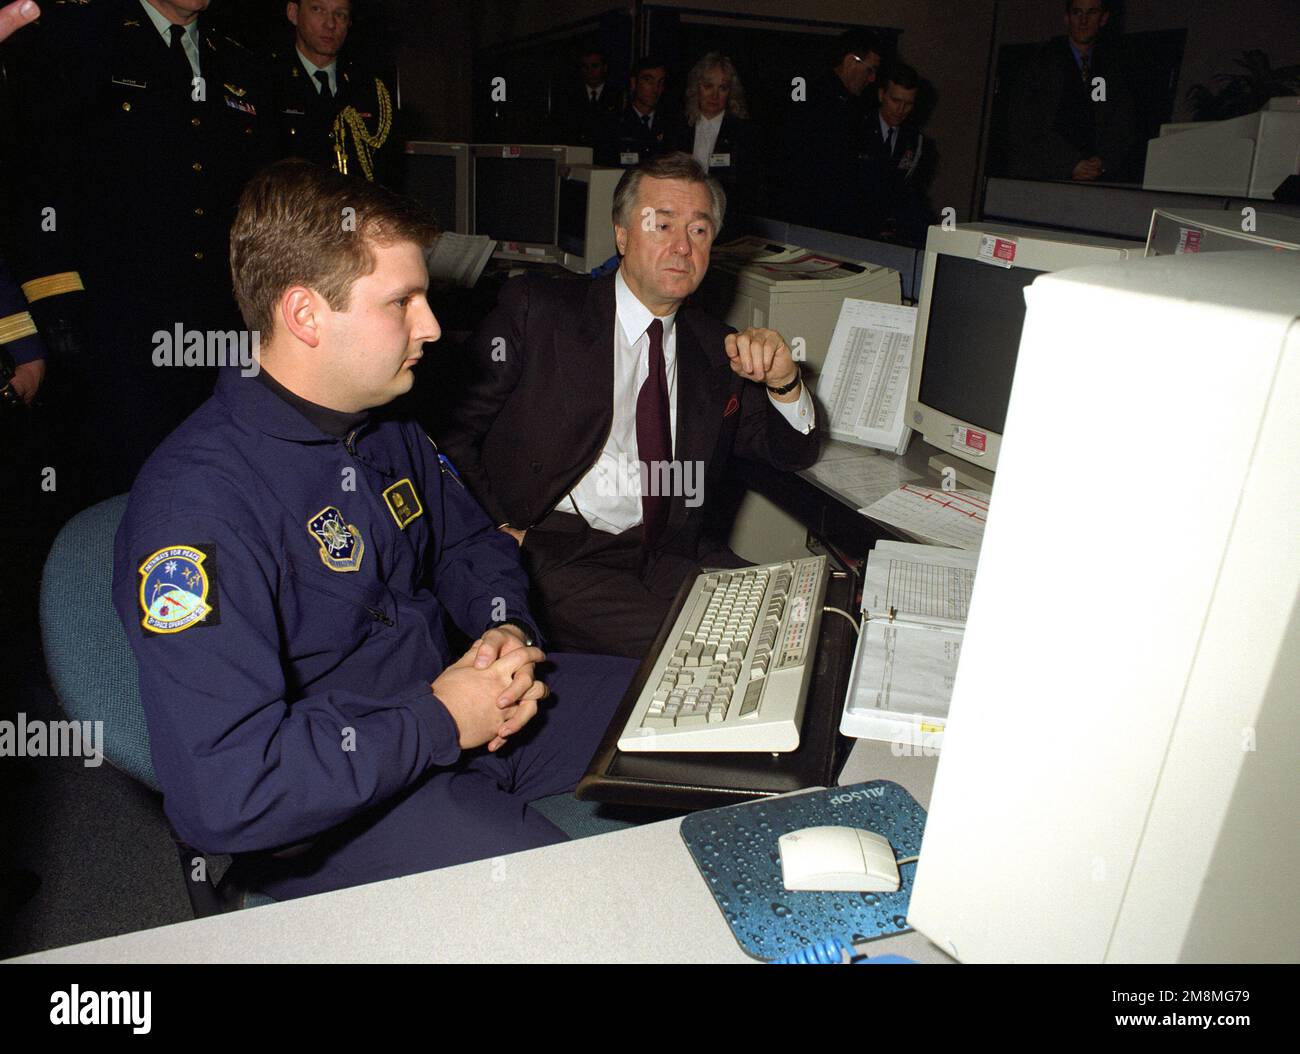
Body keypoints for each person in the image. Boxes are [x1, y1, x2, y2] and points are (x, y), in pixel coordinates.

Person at [111, 161, 636, 902]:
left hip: (455, 705)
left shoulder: (386, 426)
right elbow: (227, 793)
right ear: (305, 315)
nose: (431, 327)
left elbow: (470, 544)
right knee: (575, 908)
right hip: (340, 806)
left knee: (683, 715)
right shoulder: (197, 510)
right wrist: (443, 720)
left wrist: (505, 633)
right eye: (403, 302)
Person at [437, 153, 819, 659]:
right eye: (661, 224)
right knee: (720, 645)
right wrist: (492, 533)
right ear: (622, 235)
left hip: (672, 550)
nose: (682, 246)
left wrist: (785, 382)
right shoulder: (539, 311)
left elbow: (791, 452)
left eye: (699, 231)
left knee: (800, 613)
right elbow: (449, 434)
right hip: (554, 551)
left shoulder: (716, 348)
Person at [3, 0, 275, 505]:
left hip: (218, 325)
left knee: (219, 483)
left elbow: (258, 195)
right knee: (125, 490)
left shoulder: (240, 63)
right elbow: (38, 178)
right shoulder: (77, 37)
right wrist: (54, 298)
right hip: (113, 322)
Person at [1002, 0, 1139, 183]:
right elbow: (1024, 124)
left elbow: (1121, 127)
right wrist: (1070, 163)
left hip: (1094, 185)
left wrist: (1101, 161)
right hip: (1039, 180)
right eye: (1077, 13)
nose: (1083, 21)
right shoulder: (1040, 63)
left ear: (1103, 18)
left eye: (1091, 13)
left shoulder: (1112, 70)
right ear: (1067, 18)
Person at [271, 0, 397, 184]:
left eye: (340, 14)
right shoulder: (268, 80)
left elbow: (386, 171)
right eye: (318, 10)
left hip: (354, 209)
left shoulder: (369, 88)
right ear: (293, 13)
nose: (330, 24)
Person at [780, 28, 885, 233]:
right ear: (850, 62)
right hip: (817, 220)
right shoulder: (819, 102)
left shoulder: (853, 105)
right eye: (869, 70)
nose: (872, 79)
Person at [672, 52, 766, 235]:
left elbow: (752, 189)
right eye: (708, 86)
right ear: (696, 87)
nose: (714, 95)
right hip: (681, 220)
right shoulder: (679, 127)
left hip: (728, 225)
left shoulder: (744, 132)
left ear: (730, 92)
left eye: (722, 88)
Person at [861, 62, 932, 244]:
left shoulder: (914, 140)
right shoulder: (858, 128)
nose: (900, 110)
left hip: (891, 233)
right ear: (881, 95)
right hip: (855, 227)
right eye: (895, 101)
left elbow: (910, 190)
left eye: (908, 104)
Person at [599, 56, 680, 168]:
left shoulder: (670, 123)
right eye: (648, 81)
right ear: (634, 83)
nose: (655, 89)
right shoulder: (614, 123)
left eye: (660, 82)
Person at [553, 46, 624, 149]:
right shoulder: (570, 97)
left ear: (604, 68)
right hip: (578, 152)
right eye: (585, 67)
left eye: (595, 66)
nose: (590, 71)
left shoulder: (618, 96)